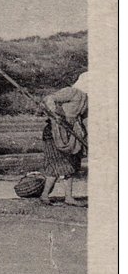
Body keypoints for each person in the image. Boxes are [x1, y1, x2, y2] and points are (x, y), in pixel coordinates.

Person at [39, 72, 88, 206]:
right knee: (56, 164)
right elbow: (49, 98)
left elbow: (85, 119)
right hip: (55, 133)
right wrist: (56, 115)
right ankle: (44, 195)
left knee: (72, 164)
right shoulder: (72, 92)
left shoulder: (87, 99)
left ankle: (68, 197)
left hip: (71, 135)